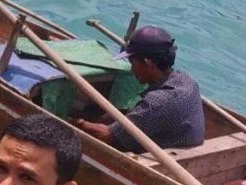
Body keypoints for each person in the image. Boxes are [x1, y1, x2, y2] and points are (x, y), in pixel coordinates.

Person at [75, 25, 205, 153]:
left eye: (133, 64)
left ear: (148, 64)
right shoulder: (187, 80)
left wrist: (78, 123)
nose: (132, 69)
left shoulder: (157, 102)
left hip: (162, 159)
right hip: (181, 144)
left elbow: (106, 135)